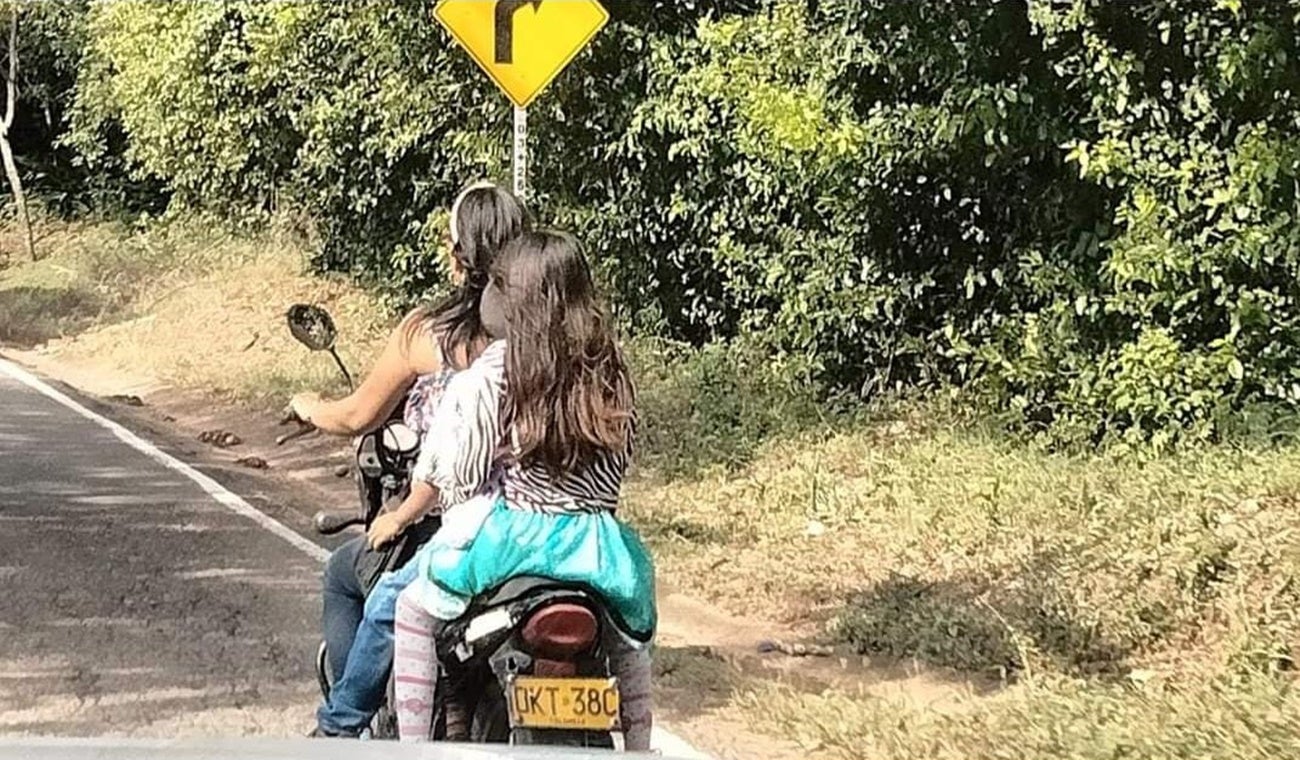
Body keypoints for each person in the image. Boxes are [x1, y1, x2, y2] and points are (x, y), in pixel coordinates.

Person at [388, 230, 656, 748]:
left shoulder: (496, 370)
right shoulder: (610, 371)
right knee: (630, 643)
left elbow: (460, 474)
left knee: (414, 612)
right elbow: (616, 471)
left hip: (508, 540)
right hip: (596, 545)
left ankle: (414, 749)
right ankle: (640, 748)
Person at [288, 181, 528, 734]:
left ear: (460, 256)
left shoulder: (431, 335)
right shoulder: (544, 336)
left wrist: (307, 406)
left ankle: (344, 726)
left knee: (355, 584)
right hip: (540, 523)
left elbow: (363, 420)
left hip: (459, 524)